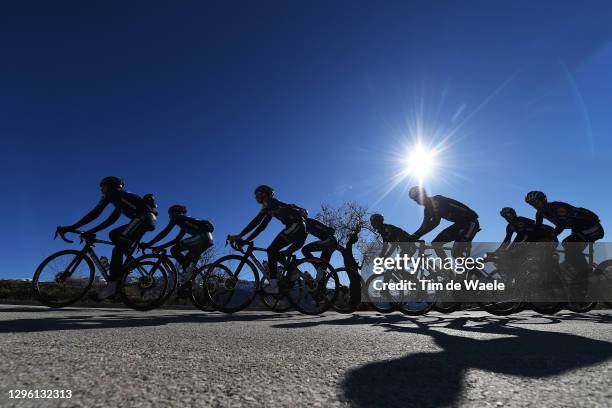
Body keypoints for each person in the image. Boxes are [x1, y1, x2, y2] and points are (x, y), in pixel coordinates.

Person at [58, 176, 157, 299]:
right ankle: (123, 269)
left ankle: (112, 287)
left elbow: (95, 213)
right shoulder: (121, 199)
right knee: (113, 234)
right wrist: (91, 231)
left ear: (109, 186)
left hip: (143, 218)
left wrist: (71, 227)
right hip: (144, 220)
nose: (101, 189)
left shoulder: (113, 194)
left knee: (117, 249)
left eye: (102, 186)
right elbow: (110, 221)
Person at [228, 185, 307, 293]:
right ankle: (292, 271)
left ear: (265, 194)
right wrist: (247, 240)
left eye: (258, 194)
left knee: (271, 250)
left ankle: (274, 286)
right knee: (275, 253)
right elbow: (261, 226)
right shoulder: (269, 208)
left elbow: (256, 221)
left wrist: (240, 235)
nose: (256, 197)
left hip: (296, 226)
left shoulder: (271, 203)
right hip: (296, 228)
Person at [525, 191, 604, 298]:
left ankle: (586, 276)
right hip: (578, 229)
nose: (534, 206)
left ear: (544, 200)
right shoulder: (540, 213)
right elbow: (536, 230)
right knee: (569, 255)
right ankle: (578, 279)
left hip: (592, 227)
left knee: (568, 245)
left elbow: (561, 224)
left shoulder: (557, 207)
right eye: (531, 204)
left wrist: (550, 237)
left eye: (535, 202)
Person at [408, 186, 479, 260]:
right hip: (460, 224)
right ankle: (448, 269)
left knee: (457, 253)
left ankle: (475, 271)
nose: (417, 201)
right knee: (436, 244)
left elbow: (435, 222)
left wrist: (416, 236)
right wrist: (414, 235)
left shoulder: (436, 200)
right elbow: (424, 226)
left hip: (470, 222)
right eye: (415, 200)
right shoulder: (427, 210)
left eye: (418, 197)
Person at [140, 205, 214, 275]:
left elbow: (164, 233)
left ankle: (187, 269)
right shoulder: (185, 222)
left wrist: (148, 244)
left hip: (202, 237)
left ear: (174, 212)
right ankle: (189, 281)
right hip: (208, 239)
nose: (169, 217)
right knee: (188, 263)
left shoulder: (177, 217)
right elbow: (176, 240)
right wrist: (161, 247)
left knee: (174, 250)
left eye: (169, 214)